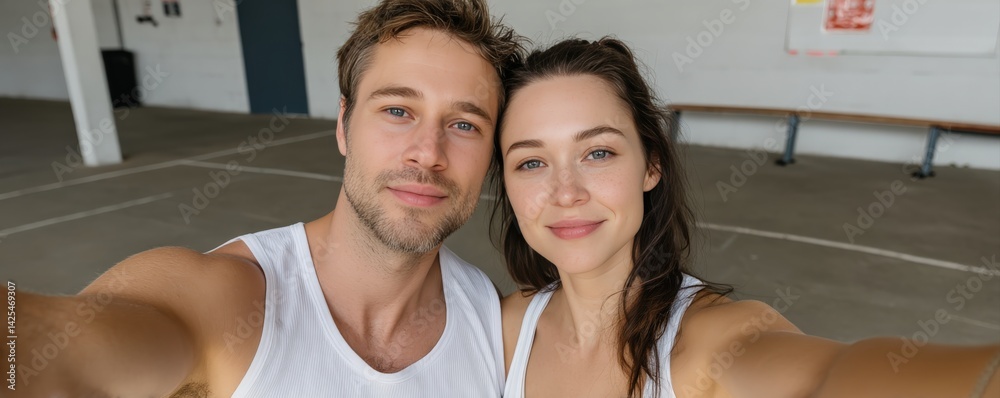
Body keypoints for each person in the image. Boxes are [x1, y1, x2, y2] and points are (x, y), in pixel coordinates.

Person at [16, 0, 524, 396]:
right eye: (397, 110)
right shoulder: (228, 298)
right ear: (344, 125)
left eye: (463, 124)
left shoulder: (495, 325)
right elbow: (65, 354)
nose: (428, 152)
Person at [492, 37, 1000, 398]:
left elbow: (829, 377)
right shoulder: (506, 327)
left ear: (652, 165)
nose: (566, 192)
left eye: (597, 153)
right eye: (531, 162)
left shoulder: (716, 341)